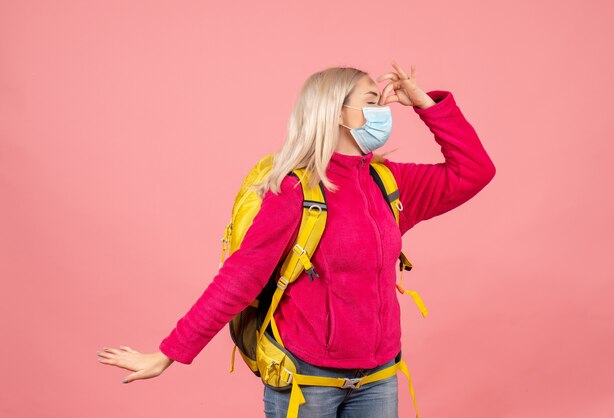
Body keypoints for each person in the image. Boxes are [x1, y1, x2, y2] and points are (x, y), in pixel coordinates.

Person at [97, 62, 496, 418]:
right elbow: (240, 278)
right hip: (307, 383)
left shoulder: (388, 182)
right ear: (338, 113)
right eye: (372, 101)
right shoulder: (295, 190)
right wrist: (169, 354)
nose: (385, 111)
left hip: (379, 377)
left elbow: (475, 171)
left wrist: (426, 104)